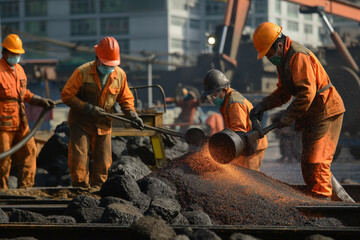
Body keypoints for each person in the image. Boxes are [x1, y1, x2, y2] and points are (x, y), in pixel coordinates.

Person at [251, 22, 345, 200]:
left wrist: (287, 117)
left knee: (317, 162)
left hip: (326, 111)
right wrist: (262, 105)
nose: (269, 59)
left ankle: (324, 205)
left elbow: (306, 94)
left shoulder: (298, 55)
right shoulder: (283, 60)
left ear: (279, 45)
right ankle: (323, 199)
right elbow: (284, 92)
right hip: (313, 114)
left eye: (269, 54)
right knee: (308, 164)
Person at [61, 36, 144, 188]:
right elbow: (66, 95)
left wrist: (132, 114)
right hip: (81, 123)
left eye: (112, 64)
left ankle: (99, 192)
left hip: (103, 123)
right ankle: (80, 190)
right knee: (79, 160)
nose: (109, 67)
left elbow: (125, 98)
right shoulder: (82, 72)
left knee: (103, 163)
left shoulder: (120, 75)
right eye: (106, 64)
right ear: (97, 58)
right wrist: (88, 108)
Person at [0, 34, 55, 189]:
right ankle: (2, 192)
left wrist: (39, 100)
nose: (17, 57)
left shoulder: (19, 70)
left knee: (29, 152)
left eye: (18, 54)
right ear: (5, 53)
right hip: (3, 125)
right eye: (14, 54)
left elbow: (25, 94)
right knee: (3, 160)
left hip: (21, 122)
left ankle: (26, 189)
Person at [201, 69, 268, 171]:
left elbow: (239, 132)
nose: (212, 99)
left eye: (213, 95)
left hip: (252, 145)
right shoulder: (227, 101)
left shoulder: (234, 104)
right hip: (244, 144)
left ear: (223, 90)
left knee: (250, 179)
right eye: (210, 97)